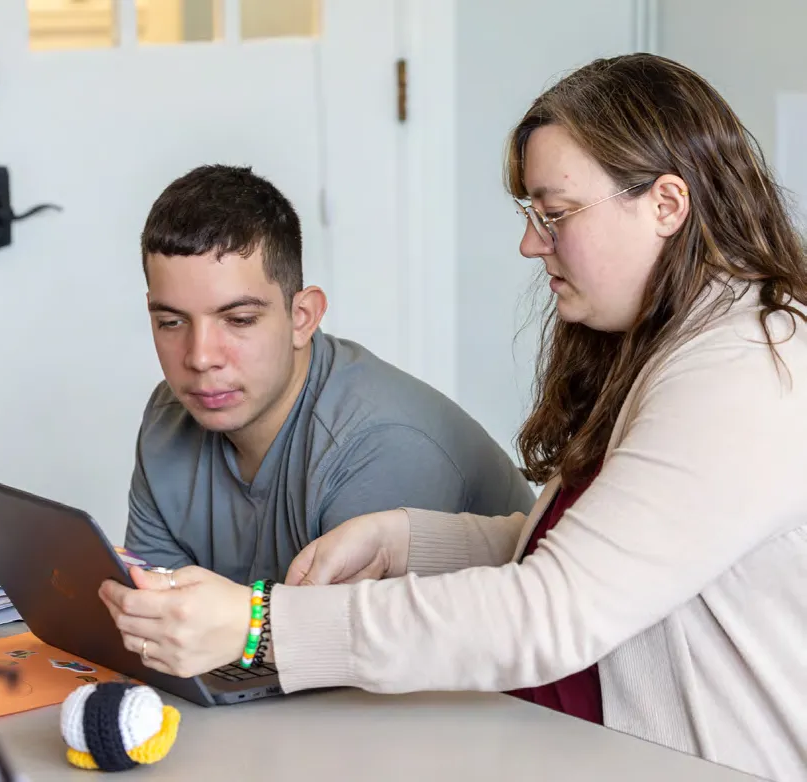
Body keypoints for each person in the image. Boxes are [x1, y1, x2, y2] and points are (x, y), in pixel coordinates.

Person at [101, 55, 807, 782]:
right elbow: (580, 549)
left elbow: (552, 608)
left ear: (665, 204)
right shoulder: (673, 351)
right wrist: (406, 539)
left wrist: (262, 625)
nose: (532, 243)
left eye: (554, 214)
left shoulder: (749, 371)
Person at [123, 164, 534, 582]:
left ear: (302, 317)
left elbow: (343, 644)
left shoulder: (383, 446)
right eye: (172, 322)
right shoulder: (168, 417)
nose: (200, 357)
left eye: (240, 319)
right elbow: (150, 620)